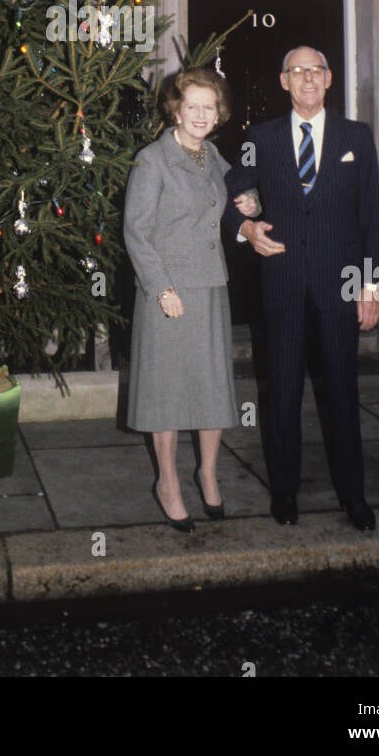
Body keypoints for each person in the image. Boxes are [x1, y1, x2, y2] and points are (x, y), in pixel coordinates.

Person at [225, 46, 379, 531]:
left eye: (315, 70)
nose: (307, 79)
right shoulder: (262, 137)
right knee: (283, 394)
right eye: (297, 71)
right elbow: (231, 190)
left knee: (341, 393)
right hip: (284, 286)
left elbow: (371, 217)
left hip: (341, 287)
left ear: (330, 78)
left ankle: (352, 496)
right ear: (283, 81)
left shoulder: (357, 136)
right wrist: (247, 229)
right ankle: (285, 493)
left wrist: (372, 285)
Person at [123, 66, 259, 531]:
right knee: (165, 392)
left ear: (217, 113)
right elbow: (136, 234)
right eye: (192, 106)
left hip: (210, 287)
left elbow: (237, 187)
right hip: (167, 292)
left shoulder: (212, 155)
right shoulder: (153, 160)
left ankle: (208, 473)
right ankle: (167, 482)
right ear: (175, 110)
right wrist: (162, 289)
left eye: (209, 107)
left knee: (210, 387)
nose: (201, 115)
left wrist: (250, 203)